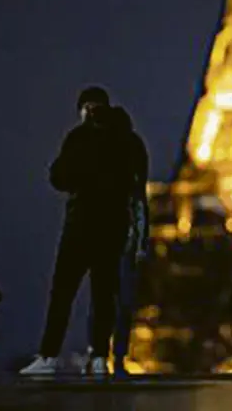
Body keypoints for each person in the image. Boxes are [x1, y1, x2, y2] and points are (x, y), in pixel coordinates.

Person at [20, 86, 135, 376]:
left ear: (85, 109)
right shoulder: (126, 139)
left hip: (81, 225)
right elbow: (135, 184)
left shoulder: (79, 137)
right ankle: (98, 356)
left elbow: (58, 177)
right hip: (112, 227)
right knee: (103, 296)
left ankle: (48, 356)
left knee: (63, 293)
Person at [85, 106, 150, 377]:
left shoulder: (103, 156)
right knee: (122, 304)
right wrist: (141, 243)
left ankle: (98, 355)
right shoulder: (134, 152)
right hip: (125, 243)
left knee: (103, 301)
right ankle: (117, 356)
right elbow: (140, 204)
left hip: (108, 241)